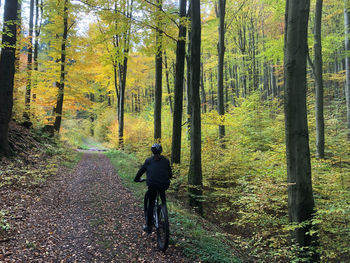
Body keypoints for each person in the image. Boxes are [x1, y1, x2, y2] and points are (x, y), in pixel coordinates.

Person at [134, 143, 172, 233]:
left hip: (152, 185)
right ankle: (164, 211)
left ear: (152, 151)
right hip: (164, 184)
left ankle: (148, 226)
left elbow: (141, 171)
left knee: (151, 204)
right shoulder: (166, 161)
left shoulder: (148, 160)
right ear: (161, 151)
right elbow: (170, 174)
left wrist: (136, 179)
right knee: (163, 199)